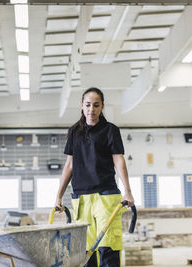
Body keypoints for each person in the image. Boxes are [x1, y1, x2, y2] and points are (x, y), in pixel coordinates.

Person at [55, 87, 134, 267]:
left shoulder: (110, 130)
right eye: (88, 105)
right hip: (81, 198)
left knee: (108, 247)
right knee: (85, 250)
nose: (92, 109)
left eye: (96, 105)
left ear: (102, 107)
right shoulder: (74, 132)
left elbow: (118, 160)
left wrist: (128, 191)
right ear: (82, 106)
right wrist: (58, 196)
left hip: (106, 196)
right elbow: (69, 165)